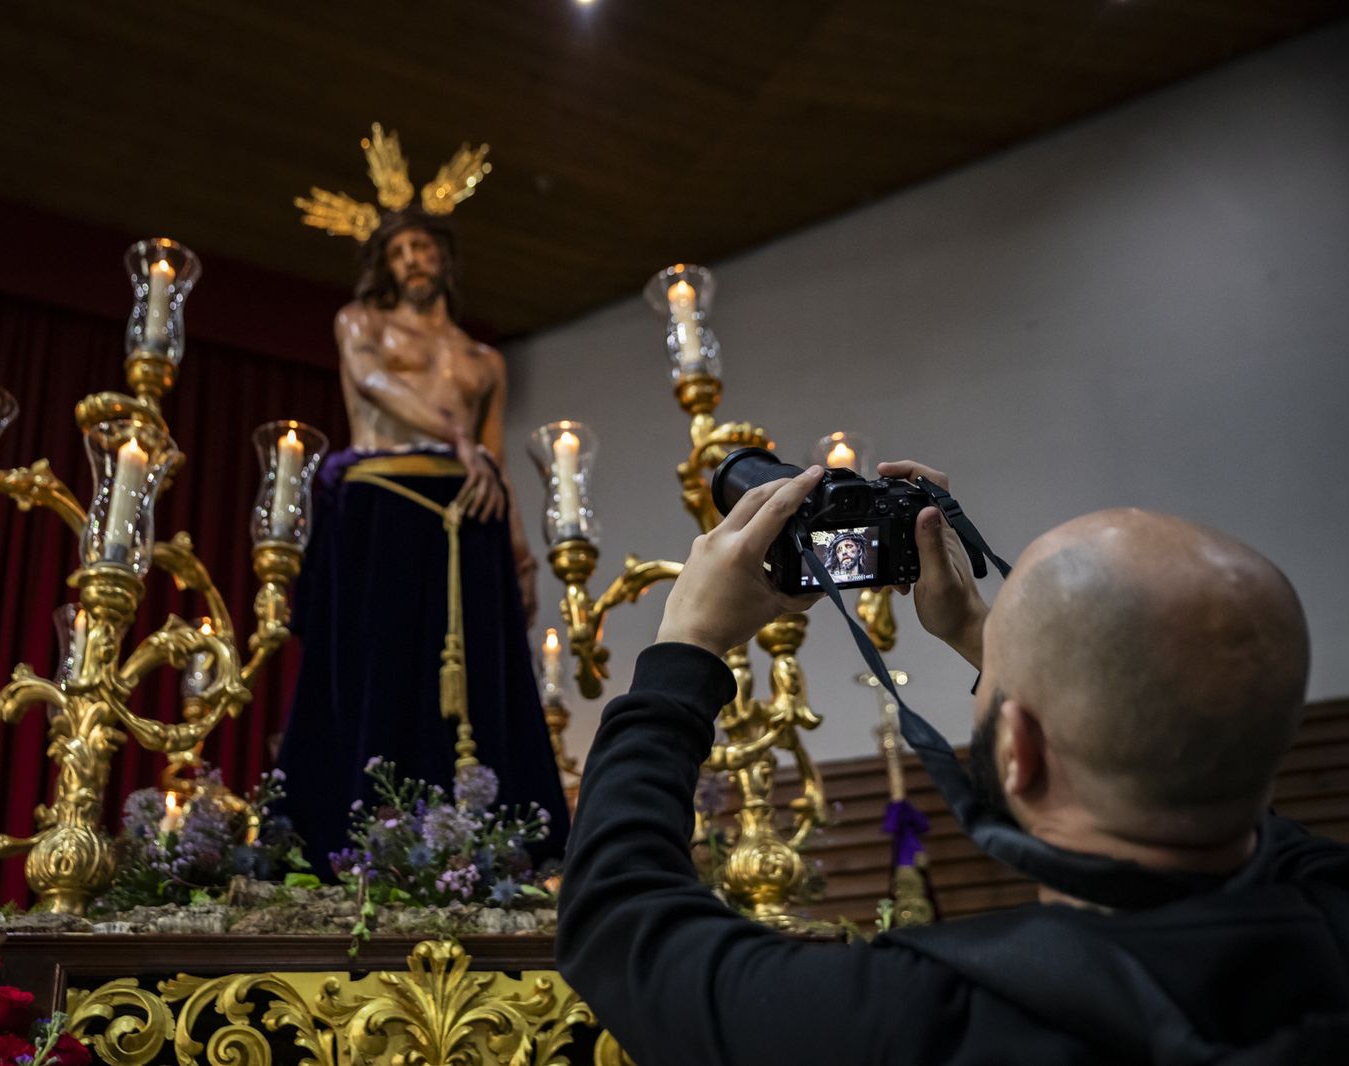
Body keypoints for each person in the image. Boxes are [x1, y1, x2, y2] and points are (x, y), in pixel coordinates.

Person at [557, 459, 1349, 1063]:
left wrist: (685, 645)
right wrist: (987, 636)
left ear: (1019, 754)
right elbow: (1222, 767)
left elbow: (622, 925)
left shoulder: (918, 1019)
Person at [274, 204, 569, 874]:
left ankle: (486, 841)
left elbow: (491, 458)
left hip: (471, 509)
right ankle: (358, 832)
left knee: (482, 681)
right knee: (379, 665)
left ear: (443, 260)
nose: (413, 259)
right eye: (400, 250)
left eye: (424, 247)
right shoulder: (362, 323)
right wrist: (452, 435)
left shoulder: (482, 359)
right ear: (385, 263)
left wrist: (521, 557)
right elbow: (371, 381)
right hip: (385, 502)